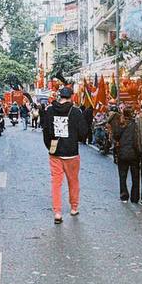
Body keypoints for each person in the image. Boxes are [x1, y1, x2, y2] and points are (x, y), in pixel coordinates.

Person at [42, 86, 87, 223]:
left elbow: (46, 131)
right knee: (73, 181)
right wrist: (74, 139)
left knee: (56, 183)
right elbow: (83, 132)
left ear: (59, 96)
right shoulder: (76, 112)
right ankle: (74, 208)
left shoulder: (49, 110)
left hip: (55, 153)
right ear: (71, 96)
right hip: (72, 153)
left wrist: (50, 146)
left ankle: (57, 212)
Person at [111, 105, 139, 203]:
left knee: (122, 175)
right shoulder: (136, 125)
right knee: (135, 176)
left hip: (122, 152)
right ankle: (135, 197)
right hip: (134, 153)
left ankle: (124, 195)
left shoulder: (120, 125)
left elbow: (115, 136)